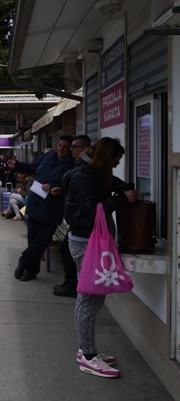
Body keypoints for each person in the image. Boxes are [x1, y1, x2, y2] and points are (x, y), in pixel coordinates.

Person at [64, 137, 137, 378]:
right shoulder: (83, 177)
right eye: (115, 162)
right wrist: (120, 199)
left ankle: (87, 349)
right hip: (85, 244)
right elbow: (91, 211)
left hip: (93, 243)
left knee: (96, 298)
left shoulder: (97, 174)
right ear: (106, 160)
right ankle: (88, 356)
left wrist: (126, 188)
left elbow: (116, 183)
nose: (116, 166)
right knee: (87, 299)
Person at [9, 136, 75, 282]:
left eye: (65, 147)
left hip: (52, 209)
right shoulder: (49, 156)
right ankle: (31, 271)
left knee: (41, 241)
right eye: (60, 145)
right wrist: (18, 165)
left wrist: (56, 188)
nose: (61, 148)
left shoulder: (72, 165)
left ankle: (24, 260)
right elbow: (33, 167)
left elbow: (71, 186)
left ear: (70, 149)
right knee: (33, 241)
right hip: (34, 204)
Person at [53, 135, 91, 298]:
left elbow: (84, 197)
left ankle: (74, 286)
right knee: (66, 251)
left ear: (85, 148)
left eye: (74, 146)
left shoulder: (85, 169)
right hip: (75, 221)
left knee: (70, 253)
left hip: (81, 223)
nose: (70, 150)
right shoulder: (78, 166)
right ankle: (69, 283)